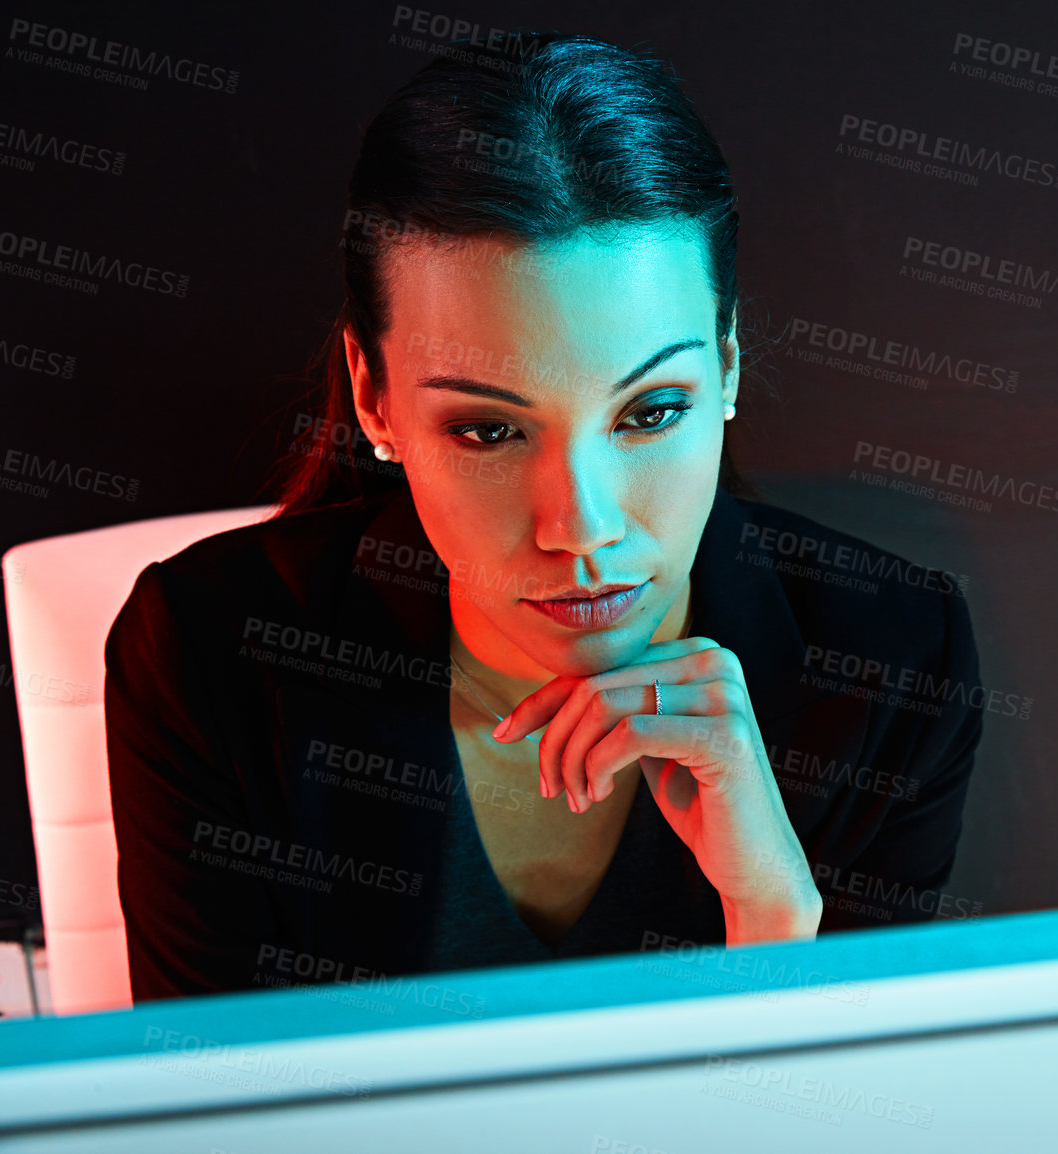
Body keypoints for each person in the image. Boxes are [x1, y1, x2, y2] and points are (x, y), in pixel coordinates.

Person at [104, 33, 985, 1002]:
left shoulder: (895, 661)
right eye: (489, 430)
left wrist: (774, 918)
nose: (581, 527)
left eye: (650, 413)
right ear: (374, 396)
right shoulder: (204, 654)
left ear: (727, 366)